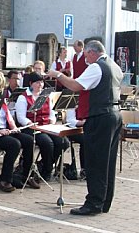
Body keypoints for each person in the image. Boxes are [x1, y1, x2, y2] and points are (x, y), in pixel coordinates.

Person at [47, 40, 123, 215]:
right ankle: (104, 202)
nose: (85, 58)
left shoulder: (97, 67)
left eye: (86, 55)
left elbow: (76, 86)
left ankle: (94, 203)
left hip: (100, 116)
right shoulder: (114, 66)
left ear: (92, 52)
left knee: (95, 161)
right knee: (108, 162)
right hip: (114, 114)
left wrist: (57, 74)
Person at [15, 72, 69, 181]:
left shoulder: (46, 95)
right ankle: (47, 171)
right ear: (31, 83)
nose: (40, 85)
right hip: (31, 128)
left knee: (63, 142)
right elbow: (21, 117)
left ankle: (44, 164)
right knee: (47, 143)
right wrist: (30, 123)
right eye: (37, 82)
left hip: (46, 126)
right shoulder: (23, 98)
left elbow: (52, 113)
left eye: (42, 82)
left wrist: (52, 120)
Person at [65, 107, 86, 179]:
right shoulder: (73, 101)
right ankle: (84, 169)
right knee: (85, 139)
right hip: (74, 130)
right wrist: (83, 123)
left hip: (87, 129)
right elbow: (70, 121)